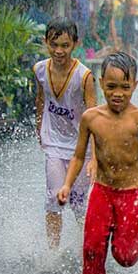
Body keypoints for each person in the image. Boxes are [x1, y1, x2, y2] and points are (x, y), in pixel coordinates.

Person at [57, 52, 138, 274]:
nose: (118, 94)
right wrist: (67, 184)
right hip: (102, 192)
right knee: (92, 250)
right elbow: (79, 157)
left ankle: (123, 235)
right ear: (101, 82)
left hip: (131, 194)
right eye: (112, 86)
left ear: (134, 86)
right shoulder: (91, 118)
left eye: (125, 87)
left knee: (126, 256)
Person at [34, 17, 97, 249]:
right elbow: (41, 99)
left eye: (65, 46)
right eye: (54, 45)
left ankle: (86, 247)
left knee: (79, 203)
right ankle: (53, 251)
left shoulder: (84, 76)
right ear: (46, 42)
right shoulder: (40, 70)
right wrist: (39, 127)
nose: (59, 51)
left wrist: (96, 157)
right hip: (53, 143)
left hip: (81, 148)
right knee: (54, 197)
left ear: (75, 44)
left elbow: (94, 116)